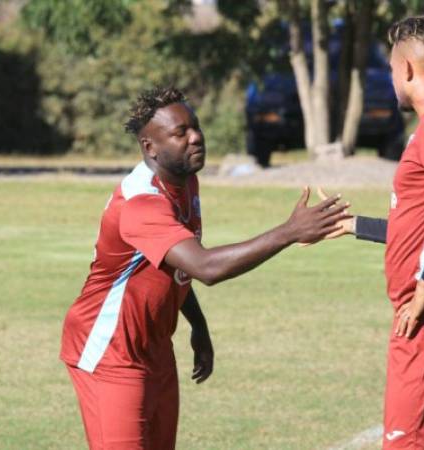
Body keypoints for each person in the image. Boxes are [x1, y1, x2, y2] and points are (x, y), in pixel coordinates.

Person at [60, 86, 349, 450]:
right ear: (150, 147)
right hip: (111, 351)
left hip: (153, 344)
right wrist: (290, 232)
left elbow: (176, 267)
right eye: (180, 133)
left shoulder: (184, 181)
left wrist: (197, 324)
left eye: (195, 127)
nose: (196, 137)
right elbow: (205, 267)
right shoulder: (141, 204)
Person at [319, 16, 424, 450]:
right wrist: (354, 225)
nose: (393, 79)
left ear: (409, 70)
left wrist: (423, 288)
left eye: (393, 69)